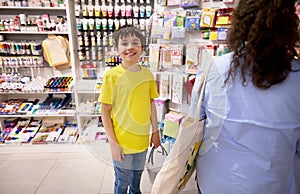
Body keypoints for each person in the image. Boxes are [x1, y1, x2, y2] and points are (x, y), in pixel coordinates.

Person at [190, 0, 300, 193]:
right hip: (274, 183)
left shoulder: (214, 69)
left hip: (215, 182)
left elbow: (195, 126)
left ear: (239, 23)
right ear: (288, 26)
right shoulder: (296, 78)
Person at [98, 26, 161, 194]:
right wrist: (113, 143)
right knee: (122, 182)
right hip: (121, 142)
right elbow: (104, 111)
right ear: (117, 49)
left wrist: (155, 131)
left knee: (136, 181)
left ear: (142, 47)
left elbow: (151, 103)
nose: (130, 47)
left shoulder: (147, 74)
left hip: (141, 141)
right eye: (124, 43)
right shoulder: (112, 76)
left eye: (135, 43)